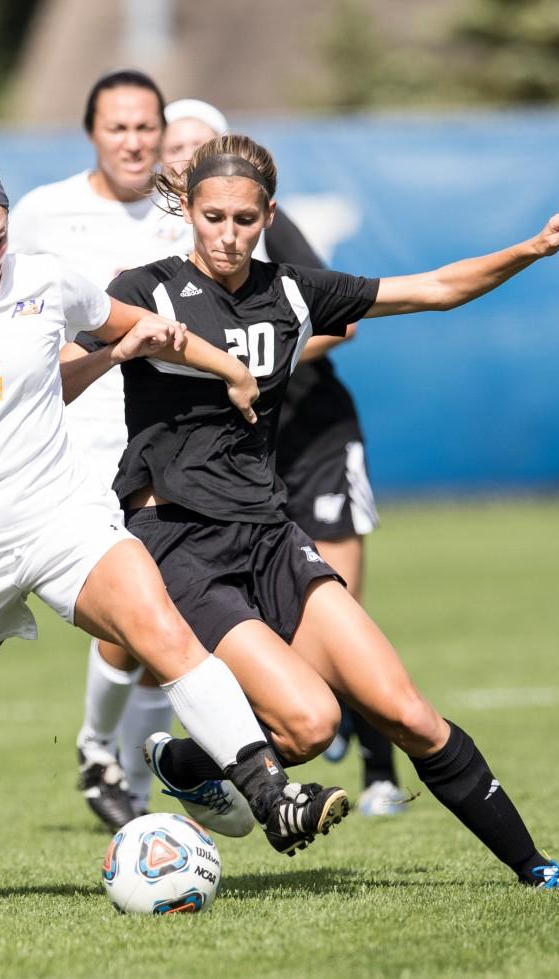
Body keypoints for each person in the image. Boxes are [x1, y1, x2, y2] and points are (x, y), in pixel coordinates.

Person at [0, 151, 349, 905]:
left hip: (60, 517)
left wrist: (224, 369)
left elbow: (143, 326)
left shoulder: (46, 280)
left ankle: (271, 796)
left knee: (161, 628)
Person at [80, 131, 559, 888]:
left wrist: (529, 248)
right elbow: (61, 364)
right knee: (312, 723)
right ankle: (198, 759)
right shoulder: (145, 289)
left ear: (268, 214)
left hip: (270, 534)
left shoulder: (293, 291)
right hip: (179, 543)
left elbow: (433, 287)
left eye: (244, 218)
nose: (227, 235)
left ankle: (538, 869)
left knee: (409, 713)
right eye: (212, 216)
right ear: (188, 211)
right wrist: (119, 347)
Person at [162, 98, 408, 818]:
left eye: (198, 141)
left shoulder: (260, 224)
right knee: (255, 629)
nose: (184, 152)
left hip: (312, 438)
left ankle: (380, 770)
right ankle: (237, 752)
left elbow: (344, 320)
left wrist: (264, 361)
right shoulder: (157, 252)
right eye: (172, 143)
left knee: (338, 613)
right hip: (233, 466)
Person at [8, 70, 189, 831]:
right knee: (134, 614)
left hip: (163, 442)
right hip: (76, 447)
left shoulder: (184, 213)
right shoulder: (47, 212)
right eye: (119, 127)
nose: (134, 141)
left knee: (160, 618)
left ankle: (125, 783)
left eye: (147, 126)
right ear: (93, 132)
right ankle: (98, 748)